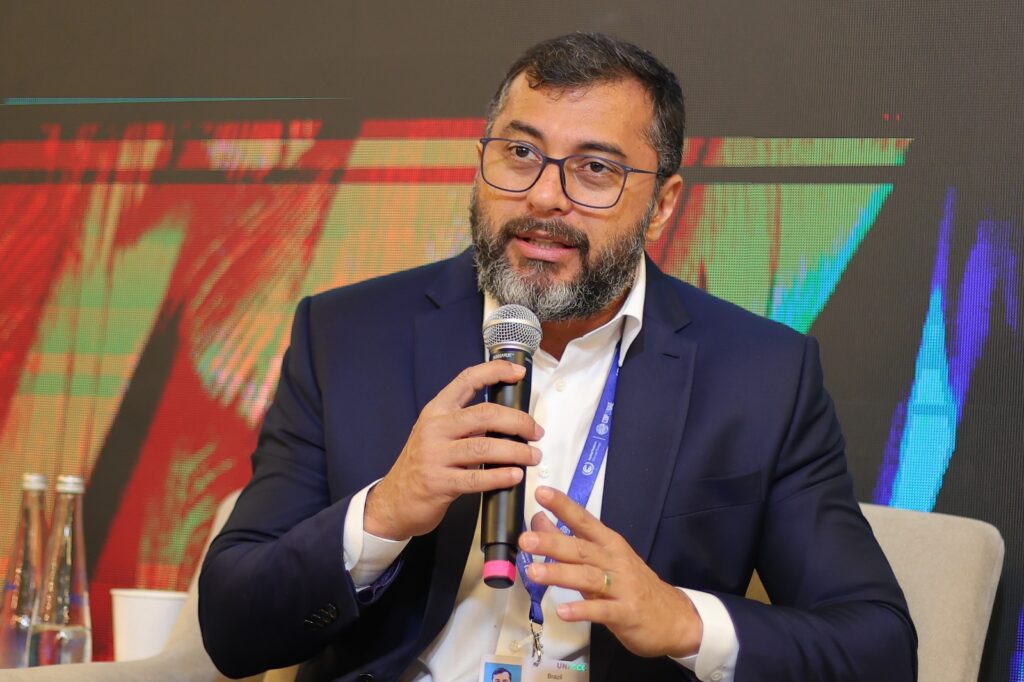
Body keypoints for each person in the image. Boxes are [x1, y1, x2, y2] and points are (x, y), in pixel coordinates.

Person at [199, 33, 916, 681]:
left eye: (595, 169)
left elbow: (878, 648)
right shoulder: (348, 335)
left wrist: (680, 619)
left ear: (663, 205)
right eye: (520, 154)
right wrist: (385, 512)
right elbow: (232, 628)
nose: (545, 196)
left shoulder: (762, 375)